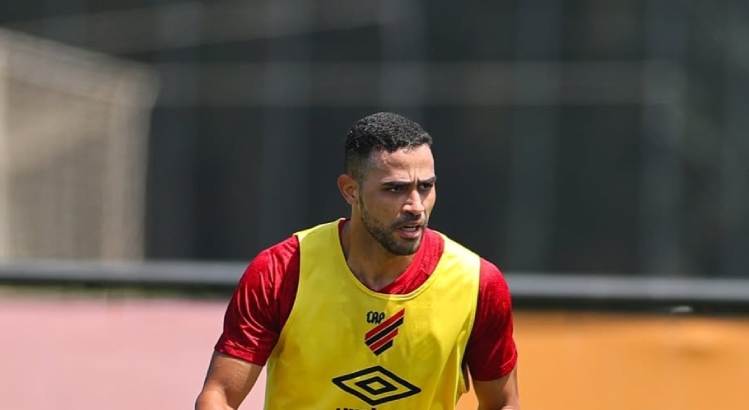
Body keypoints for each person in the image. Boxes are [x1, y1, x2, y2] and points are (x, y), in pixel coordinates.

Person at [195, 112, 519, 409]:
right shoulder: (281, 270)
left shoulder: (477, 282)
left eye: (426, 187)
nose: (416, 206)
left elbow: (502, 403)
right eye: (395, 189)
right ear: (350, 190)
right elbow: (219, 394)